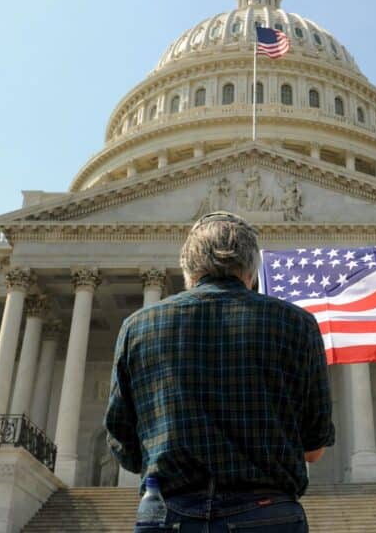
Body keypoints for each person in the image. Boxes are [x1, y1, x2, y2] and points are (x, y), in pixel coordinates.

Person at [106, 211, 335, 533]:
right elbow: (314, 446)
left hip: (171, 513)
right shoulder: (296, 323)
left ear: (187, 267)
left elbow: (121, 440)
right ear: (252, 268)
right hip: (268, 514)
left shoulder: (138, 326)